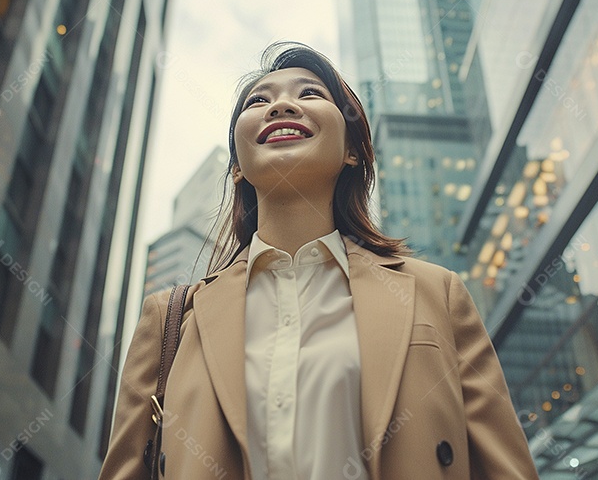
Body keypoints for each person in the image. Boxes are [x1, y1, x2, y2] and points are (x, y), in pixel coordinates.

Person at [98, 42, 538, 479]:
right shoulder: (170, 320)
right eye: (259, 101)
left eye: (309, 94)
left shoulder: (437, 293)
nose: (282, 106)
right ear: (236, 167)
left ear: (351, 150)